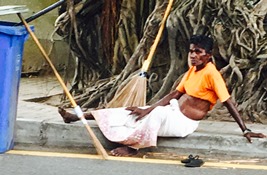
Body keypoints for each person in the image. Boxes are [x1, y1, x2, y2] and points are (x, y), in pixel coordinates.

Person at [58, 34, 266, 156]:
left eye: (199, 52)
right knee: (129, 112)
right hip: (172, 113)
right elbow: (175, 92)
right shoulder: (193, 69)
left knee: (156, 115)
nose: (193, 55)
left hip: (184, 123)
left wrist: (245, 129)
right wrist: (146, 108)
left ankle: (134, 148)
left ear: (209, 55)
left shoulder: (212, 73)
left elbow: (228, 101)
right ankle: (77, 117)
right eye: (191, 51)